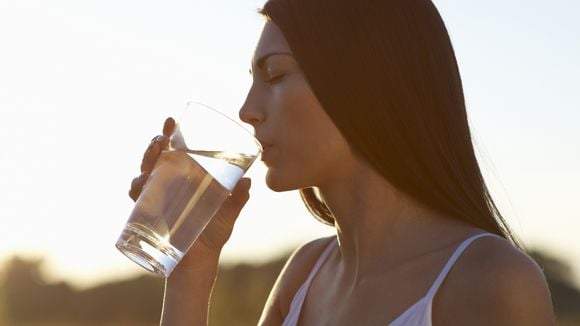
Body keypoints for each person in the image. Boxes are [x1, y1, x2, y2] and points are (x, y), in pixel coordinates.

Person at [130, 0, 555, 325]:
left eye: (275, 74)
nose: (247, 109)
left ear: (366, 82)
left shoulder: (493, 283)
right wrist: (192, 265)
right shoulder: (303, 278)